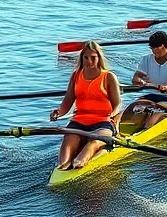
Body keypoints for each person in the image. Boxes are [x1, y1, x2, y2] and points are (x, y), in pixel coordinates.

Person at [52, 41, 123, 170]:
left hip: (102, 122)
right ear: (81, 57)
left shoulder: (108, 77)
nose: (89, 61)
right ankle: (62, 169)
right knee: (63, 157)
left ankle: (80, 162)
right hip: (78, 122)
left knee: (91, 147)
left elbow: (117, 104)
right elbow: (67, 102)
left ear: (99, 58)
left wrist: (113, 114)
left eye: (93, 58)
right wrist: (58, 112)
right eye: (86, 57)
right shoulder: (75, 76)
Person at [122, 31, 167, 130]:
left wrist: (163, 88)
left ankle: (146, 130)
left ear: (165, 46)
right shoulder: (146, 59)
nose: (154, 50)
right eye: (152, 48)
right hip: (151, 95)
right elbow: (135, 79)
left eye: (157, 47)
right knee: (133, 107)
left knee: (154, 116)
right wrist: (141, 82)